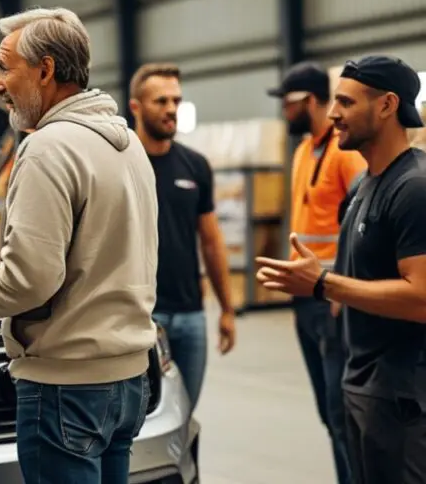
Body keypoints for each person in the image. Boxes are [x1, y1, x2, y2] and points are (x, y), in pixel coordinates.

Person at [0, 7, 158, 484]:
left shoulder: (49, 146)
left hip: (67, 389)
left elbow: (29, 280)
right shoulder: (127, 144)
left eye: (5, 67)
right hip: (130, 380)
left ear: (45, 70)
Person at [255, 55, 426, 484]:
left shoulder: (414, 189)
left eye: (346, 103)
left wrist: (325, 284)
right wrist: (331, 286)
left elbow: (423, 297)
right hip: (362, 379)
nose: (332, 114)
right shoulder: (363, 185)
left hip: (402, 394)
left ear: (387, 105)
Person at [266, 61, 364, 484]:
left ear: (307, 101)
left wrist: (344, 291)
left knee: (342, 411)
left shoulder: (347, 153)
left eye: (287, 105)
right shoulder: (304, 150)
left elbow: (363, 225)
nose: (283, 114)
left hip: (334, 298)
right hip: (306, 299)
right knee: (328, 412)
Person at [128, 62, 236, 410]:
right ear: (136, 107)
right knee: (137, 420)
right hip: (139, 315)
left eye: (176, 100)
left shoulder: (195, 165)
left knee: (185, 417)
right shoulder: (120, 163)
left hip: (190, 314)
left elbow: (210, 240)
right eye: (161, 101)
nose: (171, 109)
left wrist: (227, 309)